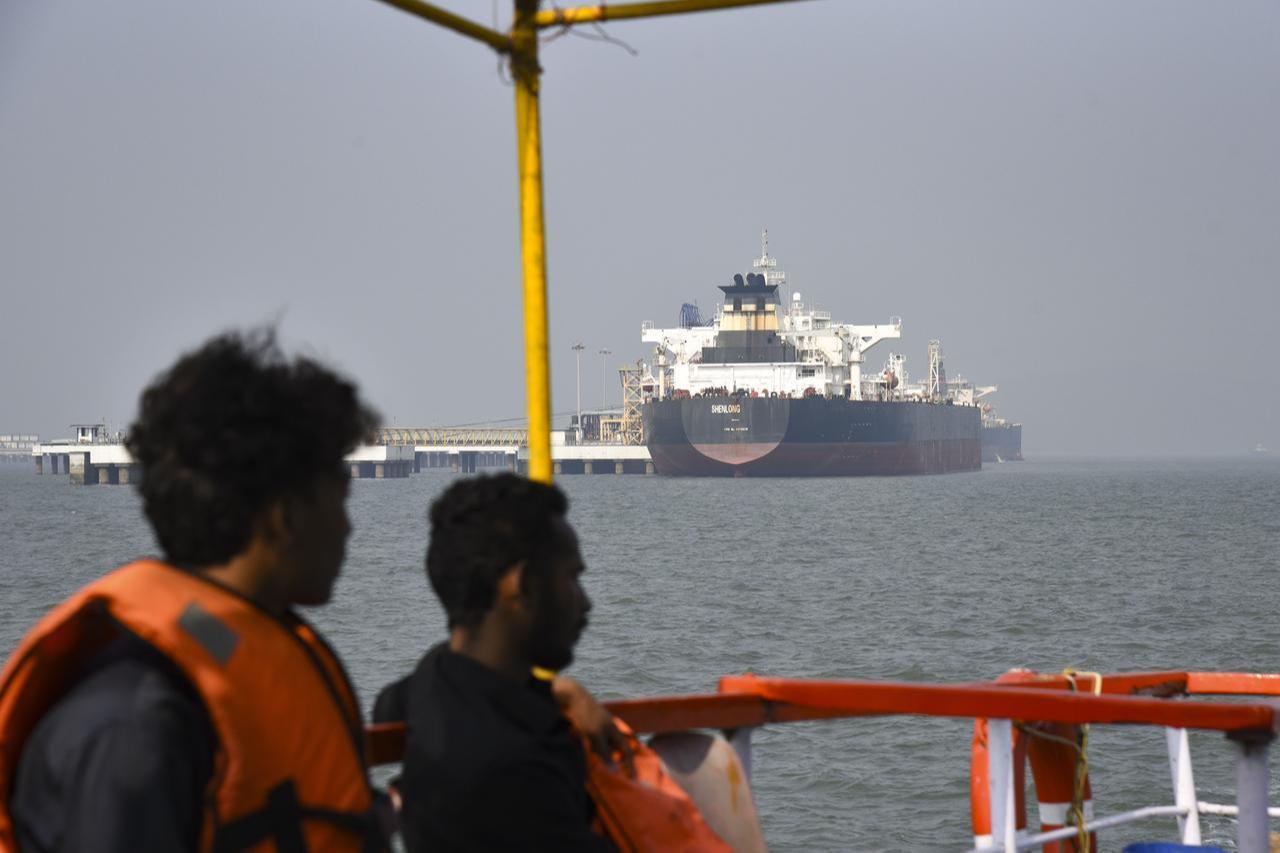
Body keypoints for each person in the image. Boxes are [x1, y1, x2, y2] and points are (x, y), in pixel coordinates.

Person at [0, 330, 386, 852]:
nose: (347, 528)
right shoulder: (134, 726)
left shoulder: (225, 658)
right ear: (284, 518)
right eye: (340, 500)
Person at [374, 473, 622, 852]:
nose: (584, 602)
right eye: (571, 579)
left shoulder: (432, 681)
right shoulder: (512, 776)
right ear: (521, 584)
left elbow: (385, 708)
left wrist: (557, 690)